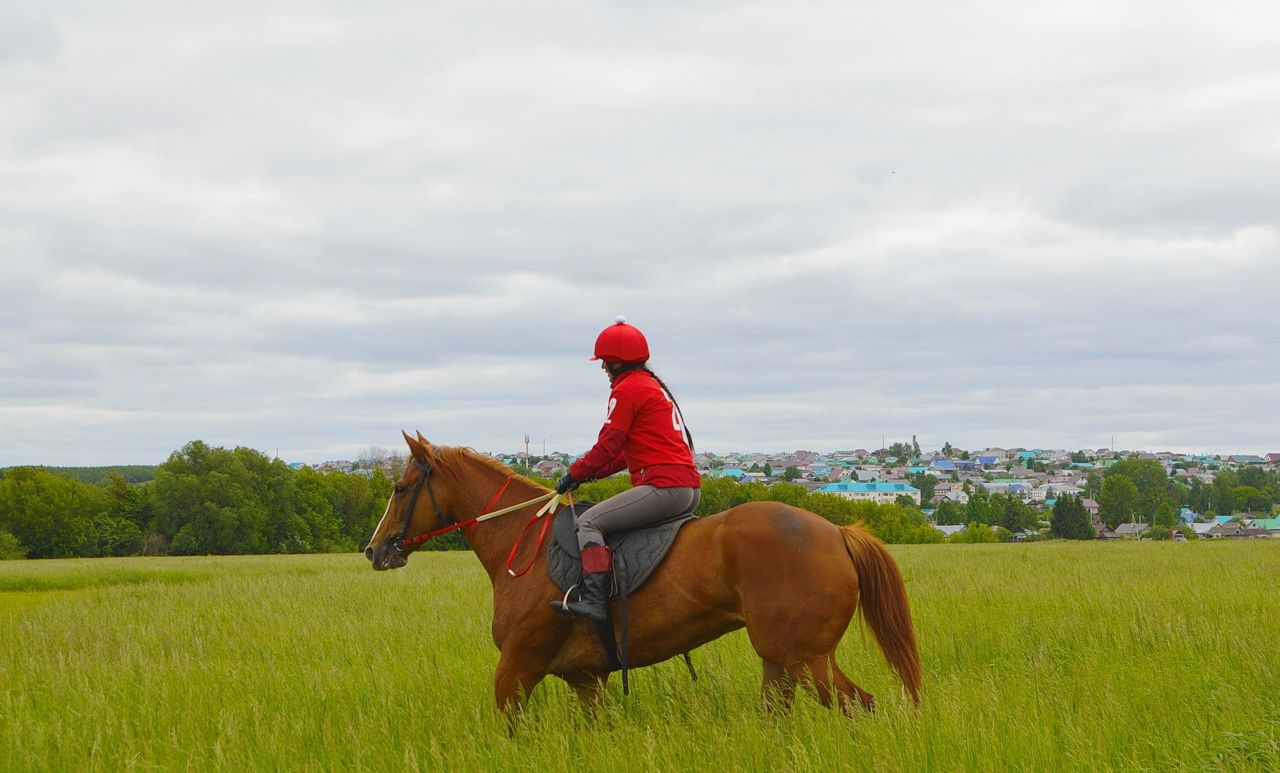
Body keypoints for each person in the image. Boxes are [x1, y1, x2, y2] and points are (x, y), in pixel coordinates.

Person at [550, 316, 701, 621]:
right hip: (689, 490)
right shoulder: (653, 386)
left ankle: (594, 602)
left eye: (605, 362)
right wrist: (592, 474)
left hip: (663, 487)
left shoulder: (627, 389)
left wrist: (574, 473)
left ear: (617, 363)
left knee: (590, 522)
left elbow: (608, 445)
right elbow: (621, 456)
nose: (603, 368)